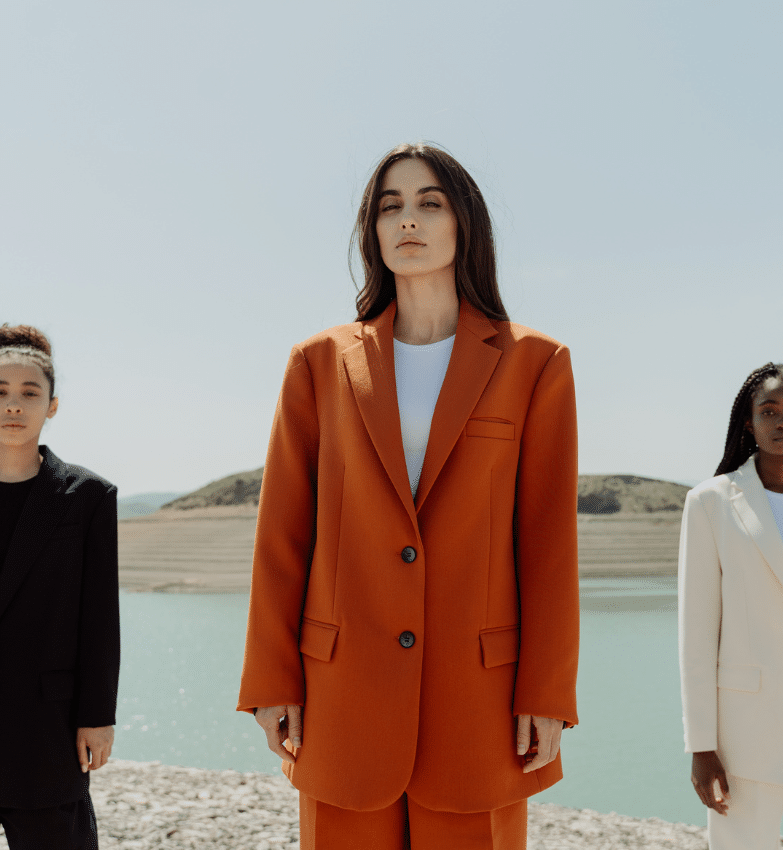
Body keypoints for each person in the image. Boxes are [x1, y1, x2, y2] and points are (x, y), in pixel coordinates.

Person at [237, 142, 579, 849]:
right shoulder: (320, 363)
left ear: (465, 225)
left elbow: (546, 543)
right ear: (372, 231)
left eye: (430, 203)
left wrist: (546, 693)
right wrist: (272, 678)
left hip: (480, 702)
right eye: (390, 207)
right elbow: (283, 534)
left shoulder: (535, 364)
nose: (408, 221)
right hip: (342, 697)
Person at [678, 362, 783, 850]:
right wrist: (701, 745)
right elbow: (696, 631)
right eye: (769, 410)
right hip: (745, 728)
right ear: (748, 423)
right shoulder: (710, 503)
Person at [0, 324, 120, 850]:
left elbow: (99, 619)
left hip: (45, 724)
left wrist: (97, 717)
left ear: (52, 406)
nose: (14, 407)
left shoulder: (87, 496)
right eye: (0, 393)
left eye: (30, 394)